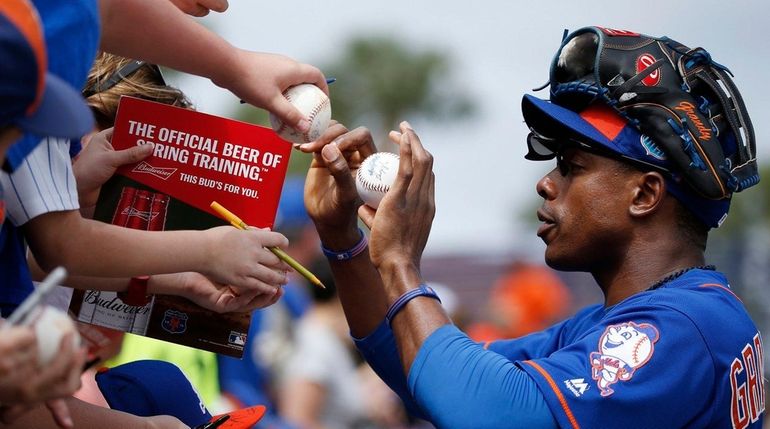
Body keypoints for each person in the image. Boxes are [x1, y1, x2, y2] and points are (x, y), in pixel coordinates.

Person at [300, 27, 764, 428]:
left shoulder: (683, 326)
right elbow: (423, 372)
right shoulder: (632, 318)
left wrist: (401, 261)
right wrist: (342, 237)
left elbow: (485, 415)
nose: (546, 183)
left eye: (572, 166)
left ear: (644, 194)